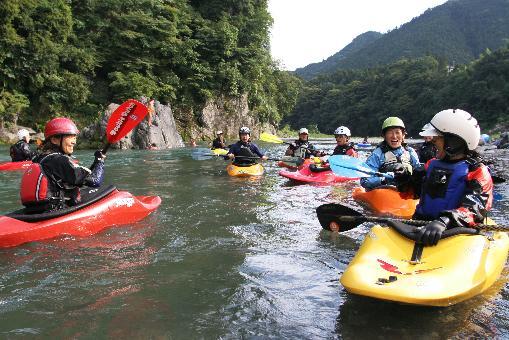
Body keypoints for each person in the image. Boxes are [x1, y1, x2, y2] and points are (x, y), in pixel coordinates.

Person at [412, 109, 493, 246]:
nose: (433, 143)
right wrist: (403, 177)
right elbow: (412, 192)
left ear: (454, 142)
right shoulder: (431, 164)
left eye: (437, 139)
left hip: (455, 232)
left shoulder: (478, 172)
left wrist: (445, 220)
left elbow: (475, 208)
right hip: (422, 226)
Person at [20, 118, 106, 213]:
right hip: (55, 211)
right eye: (70, 137)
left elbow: (80, 180)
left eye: (75, 137)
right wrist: (100, 161)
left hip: (36, 210)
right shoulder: (59, 160)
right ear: (54, 140)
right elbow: (95, 181)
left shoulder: (40, 158)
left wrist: (95, 163)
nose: (74, 142)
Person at [360, 117, 420, 191]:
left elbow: (419, 175)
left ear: (403, 135)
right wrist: (385, 179)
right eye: (390, 132)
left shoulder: (410, 152)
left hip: (406, 193)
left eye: (397, 132)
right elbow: (364, 181)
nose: (394, 136)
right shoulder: (377, 154)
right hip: (384, 193)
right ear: (384, 136)